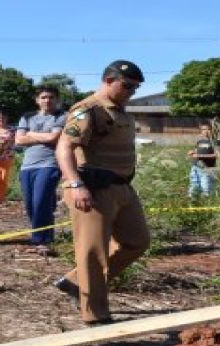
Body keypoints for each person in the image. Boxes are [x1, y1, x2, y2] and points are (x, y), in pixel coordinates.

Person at [53, 60, 150, 326]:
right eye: (127, 85)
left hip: (122, 187)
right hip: (93, 189)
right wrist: (75, 184)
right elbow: (64, 149)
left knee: (137, 241)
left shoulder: (121, 111)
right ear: (109, 80)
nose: (132, 91)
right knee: (93, 253)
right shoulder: (88, 110)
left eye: (136, 87)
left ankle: (75, 281)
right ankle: (95, 315)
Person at [15, 86, 67, 256]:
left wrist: (31, 134)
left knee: (41, 202)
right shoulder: (27, 116)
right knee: (31, 204)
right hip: (27, 165)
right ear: (37, 100)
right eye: (43, 97)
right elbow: (19, 140)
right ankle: (44, 234)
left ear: (57, 99)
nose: (47, 100)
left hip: (49, 164)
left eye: (51, 97)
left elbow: (54, 138)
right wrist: (41, 136)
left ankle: (42, 241)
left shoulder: (61, 116)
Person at [188, 123, 219, 198]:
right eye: (204, 129)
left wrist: (199, 156)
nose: (206, 131)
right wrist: (192, 152)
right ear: (201, 131)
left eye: (208, 129)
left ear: (212, 130)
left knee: (206, 189)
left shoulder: (215, 141)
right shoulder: (200, 140)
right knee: (194, 186)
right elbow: (196, 150)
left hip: (208, 168)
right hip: (196, 166)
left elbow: (217, 155)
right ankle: (193, 202)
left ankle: (206, 204)